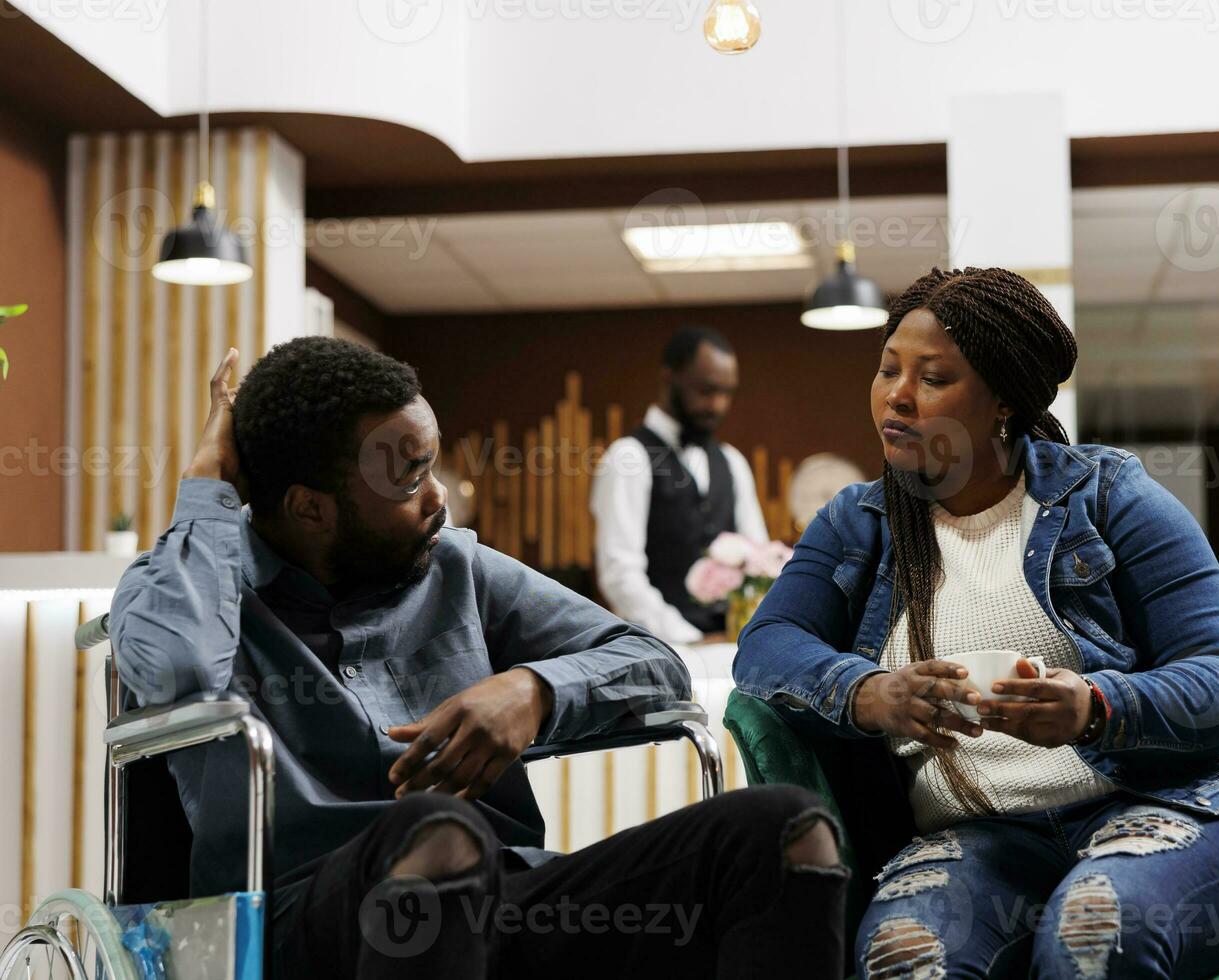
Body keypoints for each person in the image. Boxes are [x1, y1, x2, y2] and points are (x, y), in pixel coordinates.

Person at [111, 337, 846, 979]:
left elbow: (654, 662)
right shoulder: (193, 581)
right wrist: (209, 481)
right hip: (307, 918)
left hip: (505, 896)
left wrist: (535, 691)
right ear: (310, 509)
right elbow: (176, 670)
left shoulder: (457, 567)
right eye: (408, 480)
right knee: (435, 834)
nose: (439, 499)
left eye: (432, 466)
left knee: (785, 831)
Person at [733, 268, 1219, 978]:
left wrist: (1095, 708)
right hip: (980, 839)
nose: (896, 396)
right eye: (886, 369)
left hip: (1164, 810)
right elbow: (766, 648)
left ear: (1002, 400)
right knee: (906, 961)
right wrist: (873, 693)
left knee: (1092, 935)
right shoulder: (858, 522)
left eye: (932, 378)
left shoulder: (1110, 496)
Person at [591, 326, 768, 644]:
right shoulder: (628, 457)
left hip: (730, 647)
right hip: (658, 646)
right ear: (669, 378)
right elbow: (620, 574)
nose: (718, 405)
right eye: (706, 390)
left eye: (727, 393)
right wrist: (687, 639)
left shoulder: (732, 461)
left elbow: (759, 560)